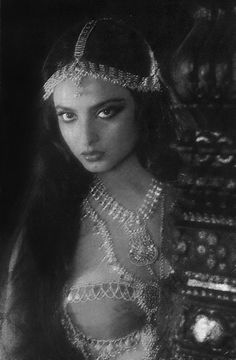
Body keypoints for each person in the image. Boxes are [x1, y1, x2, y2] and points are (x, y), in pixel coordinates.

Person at [0, 17, 183, 360]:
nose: (86, 138)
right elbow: (14, 346)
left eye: (105, 112)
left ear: (142, 107)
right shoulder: (52, 217)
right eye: (68, 116)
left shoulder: (197, 202)